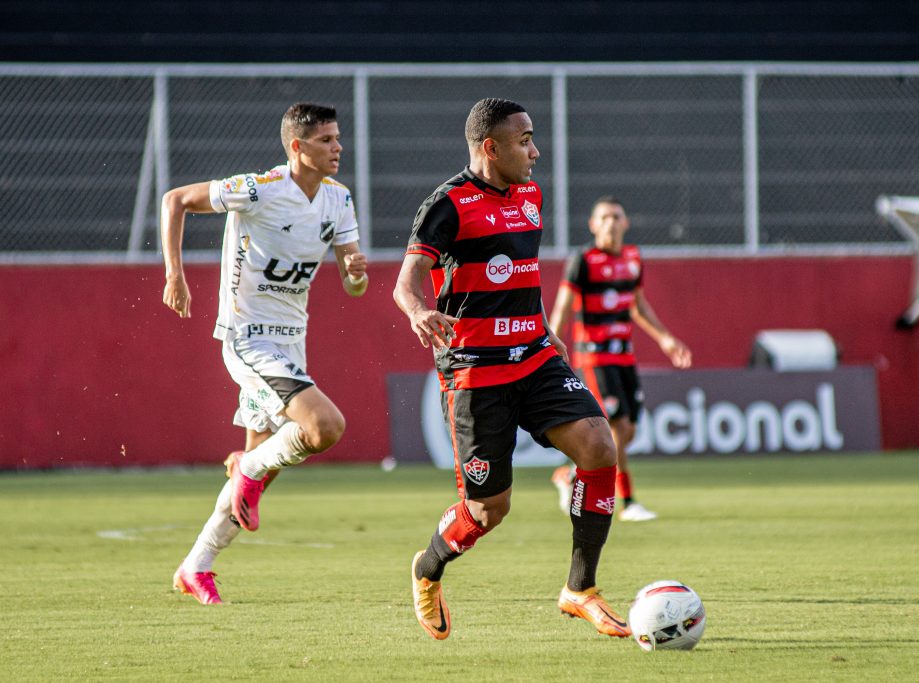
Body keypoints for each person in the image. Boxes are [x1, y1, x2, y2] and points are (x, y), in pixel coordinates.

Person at [393, 97, 630, 641]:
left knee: (600, 447)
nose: (535, 151)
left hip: (535, 357)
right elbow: (406, 282)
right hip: (476, 373)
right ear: (490, 147)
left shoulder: (529, 194)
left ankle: (580, 589)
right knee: (488, 508)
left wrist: (544, 327)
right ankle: (428, 567)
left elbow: (523, 273)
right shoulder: (447, 204)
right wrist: (419, 312)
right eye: (524, 141)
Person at [161, 102, 368, 604]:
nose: (338, 147)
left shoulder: (339, 200)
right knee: (324, 427)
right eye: (326, 140)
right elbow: (175, 200)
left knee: (262, 466)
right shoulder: (257, 189)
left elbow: (352, 282)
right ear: (297, 147)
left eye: (338, 138)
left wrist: (356, 274)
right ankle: (247, 467)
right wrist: (175, 273)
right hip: (247, 336)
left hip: (291, 340)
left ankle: (196, 565)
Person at [548, 197, 692, 522]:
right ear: (593, 225)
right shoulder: (583, 261)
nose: (611, 222)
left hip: (624, 357)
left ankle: (570, 474)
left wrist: (665, 338)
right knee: (617, 428)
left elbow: (638, 307)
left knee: (629, 432)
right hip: (595, 358)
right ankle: (627, 502)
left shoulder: (632, 258)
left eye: (617, 216)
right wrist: (552, 346)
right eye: (604, 217)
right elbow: (562, 307)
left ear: (626, 223)